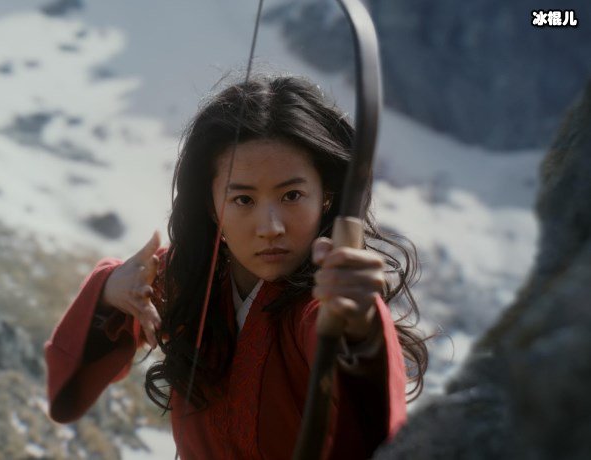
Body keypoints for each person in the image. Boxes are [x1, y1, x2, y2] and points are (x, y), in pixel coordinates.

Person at [45, 74, 427, 459]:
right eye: (243, 200)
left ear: (326, 196)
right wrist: (111, 289)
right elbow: (68, 395)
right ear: (212, 207)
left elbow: (371, 424)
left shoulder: (320, 307)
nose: (270, 227)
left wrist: (360, 326)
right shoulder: (190, 276)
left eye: (292, 195)